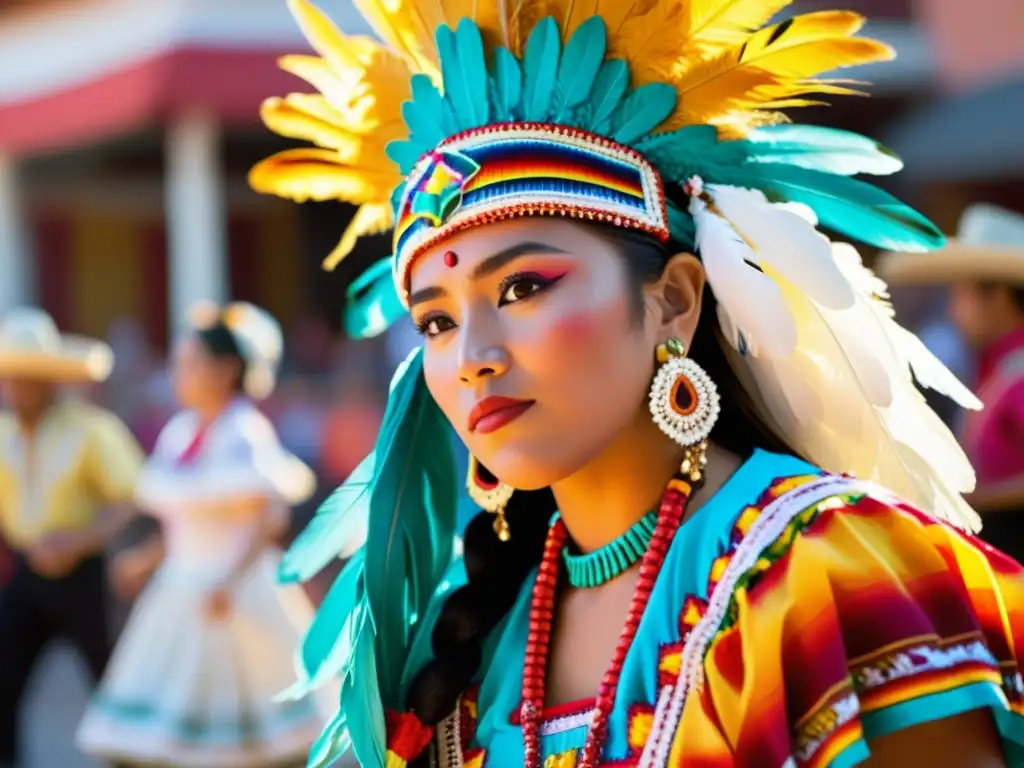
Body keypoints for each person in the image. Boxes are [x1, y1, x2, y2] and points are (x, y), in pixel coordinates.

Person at [251, 1, 1023, 765]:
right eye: (436, 324)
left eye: (523, 288)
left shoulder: (832, 575)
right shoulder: (469, 640)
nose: (471, 357)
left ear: (674, 302)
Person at [76, 302, 329, 767]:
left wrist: (229, 580)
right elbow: (183, 519)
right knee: (172, 728)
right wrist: (147, 559)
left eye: (191, 363)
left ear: (227, 369)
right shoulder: (181, 431)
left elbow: (266, 519)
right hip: (180, 587)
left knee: (244, 730)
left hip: (231, 592)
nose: (180, 374)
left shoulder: (243, 432)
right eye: (179, 363)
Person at [0, 306, 143, 768]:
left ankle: (134, 760)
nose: (15, 386)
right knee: (3, 677)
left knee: (114, 684)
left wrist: (80, 539)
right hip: (26, 574)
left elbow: (134, 497)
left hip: (86, 577)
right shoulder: (3, 436)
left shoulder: (91, 429)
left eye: (25, 376)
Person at [879, 203, 1024, 560]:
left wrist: (972, 499)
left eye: (960, 294)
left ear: (999, 297)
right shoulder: (1000, 366)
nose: (951, 311)